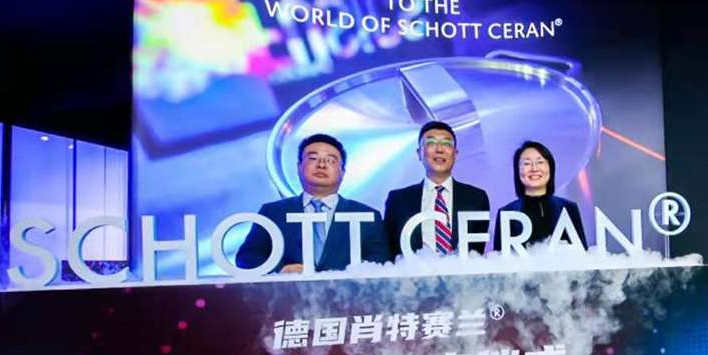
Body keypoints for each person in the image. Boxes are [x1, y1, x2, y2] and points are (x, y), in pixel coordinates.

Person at [235, 134, 390, 272]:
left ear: (342, 173)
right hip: (287, 294)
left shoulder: (367, 216)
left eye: (331, 160)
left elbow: (381, 263)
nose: (321, 165)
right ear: (299, 167)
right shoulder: (273, 212)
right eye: (313, 158)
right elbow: (247, 257)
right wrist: (281, 270)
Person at [384, 121, 490, 258]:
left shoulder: (476, 198)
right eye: (431, 142)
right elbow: (390, 250)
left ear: (455, 154)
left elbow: (477, 252)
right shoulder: (398, 200)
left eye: (446, 143)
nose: (439, 149)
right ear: (419, 153)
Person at [493, 140, 586, 251]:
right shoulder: (506, 213)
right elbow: (499, 258)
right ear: (517, 171)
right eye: (527, 163)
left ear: (550, 168)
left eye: (540, 162)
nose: (534, 169)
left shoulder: (568, 208)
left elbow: (582, 254)